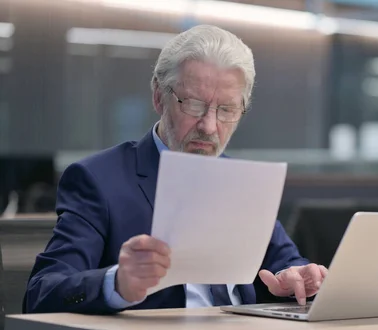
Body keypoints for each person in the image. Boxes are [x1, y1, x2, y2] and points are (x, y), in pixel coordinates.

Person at [23, 24, 327, 314]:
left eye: (227, 110)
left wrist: (297, 278)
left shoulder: (243, 183)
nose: (209, 126)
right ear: (159, 96)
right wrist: (116, 283)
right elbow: (41, 292)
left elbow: (285, 264)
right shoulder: (98, 180)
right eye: (194, 105)